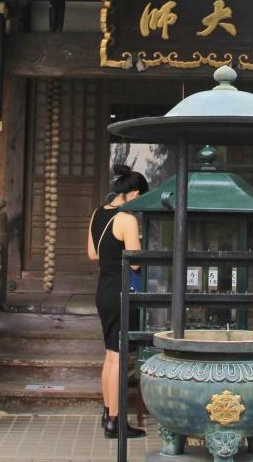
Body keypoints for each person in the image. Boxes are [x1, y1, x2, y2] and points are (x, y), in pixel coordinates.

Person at [88, 164, 148, 439]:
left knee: (110, 355)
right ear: (133, 194)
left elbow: (93, 253)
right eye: (139, 197)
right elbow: (135, 263)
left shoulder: (97, 213)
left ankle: (107, 413)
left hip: (104, 289)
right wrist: (138, 243)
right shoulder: (127, 219)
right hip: (122, 290)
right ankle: (115, 421)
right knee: (119, 357)